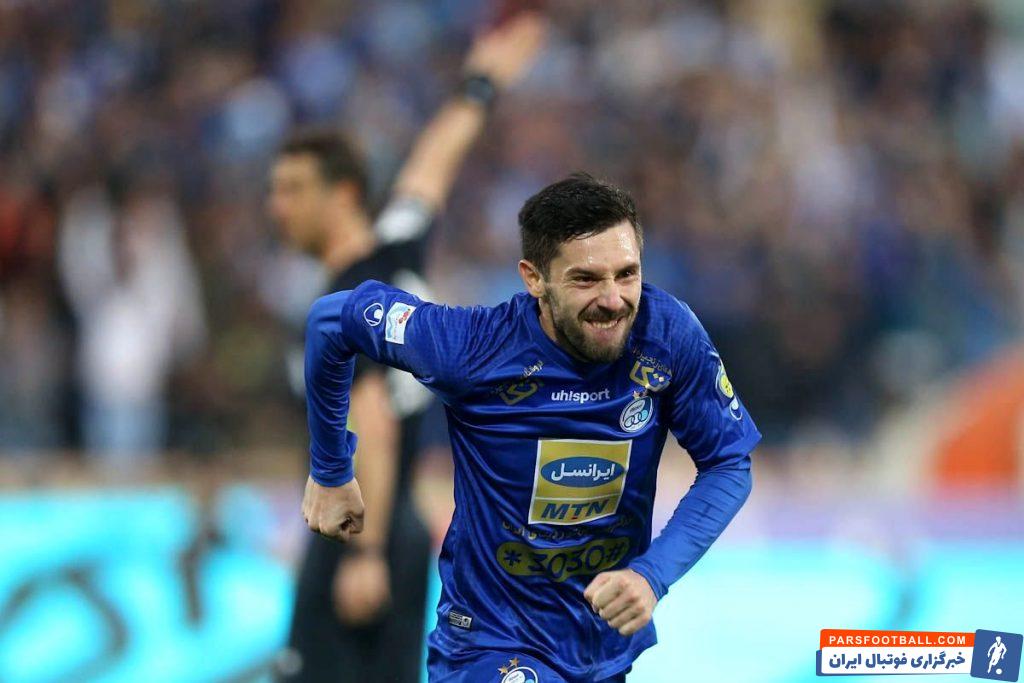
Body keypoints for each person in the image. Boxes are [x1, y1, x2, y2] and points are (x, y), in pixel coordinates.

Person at [301, 172, 761, 681]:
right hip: (490, 644)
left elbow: (727, 463)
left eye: (627, 274)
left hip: (599, 646)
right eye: (586, 279)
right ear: (534, 278)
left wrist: (651, 576)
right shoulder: (470, 346)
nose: (613, 299)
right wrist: (331, 469)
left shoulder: (667, 334)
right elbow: (330, 322)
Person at [269, 13, 547, 683]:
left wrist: (360, 553)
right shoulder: (397, 250)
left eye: (293, 190)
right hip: (401, 528)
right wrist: (479, 85)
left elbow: (372, 419)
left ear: (343, 195)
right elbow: (432, 166)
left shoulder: (346, 299)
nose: (278, 207)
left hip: (360, 528)